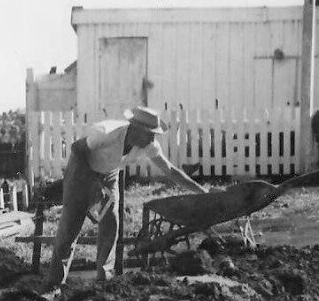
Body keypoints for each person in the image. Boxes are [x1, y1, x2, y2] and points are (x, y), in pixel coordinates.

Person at [46, 106, 205, 288]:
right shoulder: (106, 133)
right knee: (70, 227)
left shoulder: (148, 144)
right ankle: (53, 284)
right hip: (81, 173)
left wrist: (202, 192)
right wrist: (92, 182)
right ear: (135, 129)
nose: (153, 139)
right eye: (150, 134)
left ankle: (104, 277)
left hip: (109, 175)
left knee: (110, 220)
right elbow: (76, 148)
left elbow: (170, 170)